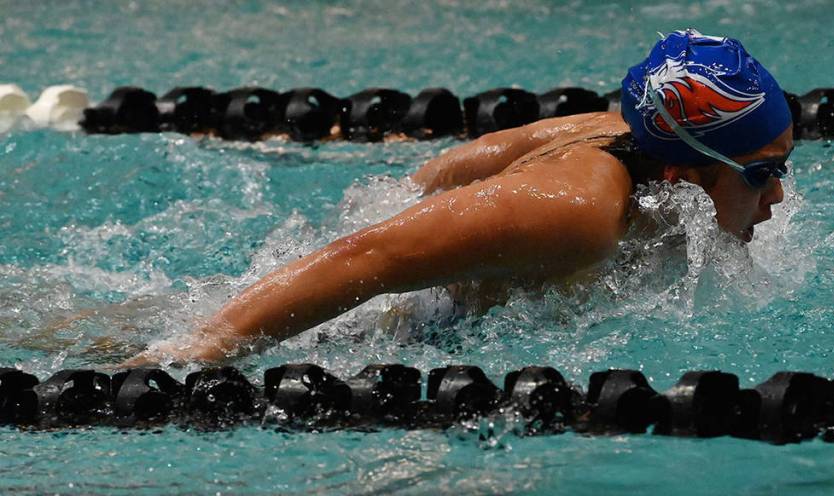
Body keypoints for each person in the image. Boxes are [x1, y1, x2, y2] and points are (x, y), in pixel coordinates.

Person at [122, 29, 794, 367]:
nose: (780, 198)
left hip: (407, 320)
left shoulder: (619, 133)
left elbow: (440, 172)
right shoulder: (576, 214)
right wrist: (202, 346)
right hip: (380, 342)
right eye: (762, 175)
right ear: (684, 175)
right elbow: (371, 251)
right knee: (115, 343)